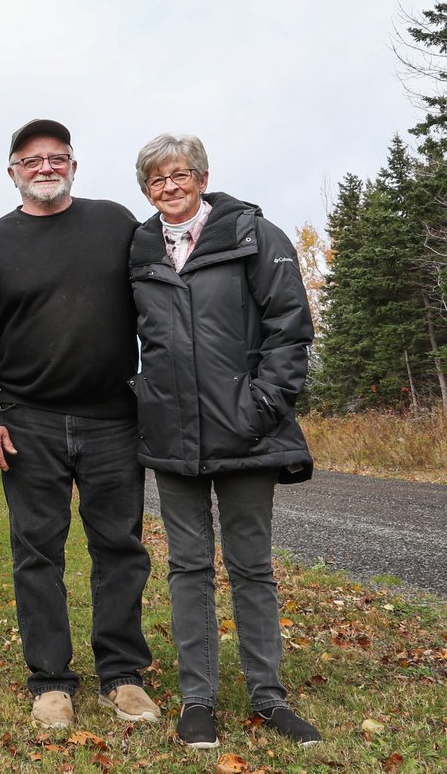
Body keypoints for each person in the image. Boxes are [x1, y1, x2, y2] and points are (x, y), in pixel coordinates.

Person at [0, 119, 158, 731]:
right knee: (37, 552)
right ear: (12, 171)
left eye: (57, 157)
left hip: (113, 421)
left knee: (119, 549)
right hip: (29, 422)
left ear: (74, 166)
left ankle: (122, 676)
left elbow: (161, 297)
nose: (45, 167)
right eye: (32, 159)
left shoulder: (115, 223)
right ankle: (50, 681)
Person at [128, 133, 322, 749]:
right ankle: (198, 700)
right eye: (156, 180)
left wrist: (263, 405)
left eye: (179, 175)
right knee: (188, 568)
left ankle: (268, 698)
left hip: (246, 433)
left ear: (202, 178)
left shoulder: (253, 236)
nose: (169, 187)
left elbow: (289, 328)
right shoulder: (136, 250)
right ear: (146, 190)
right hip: (172, 439)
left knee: (251, 567)